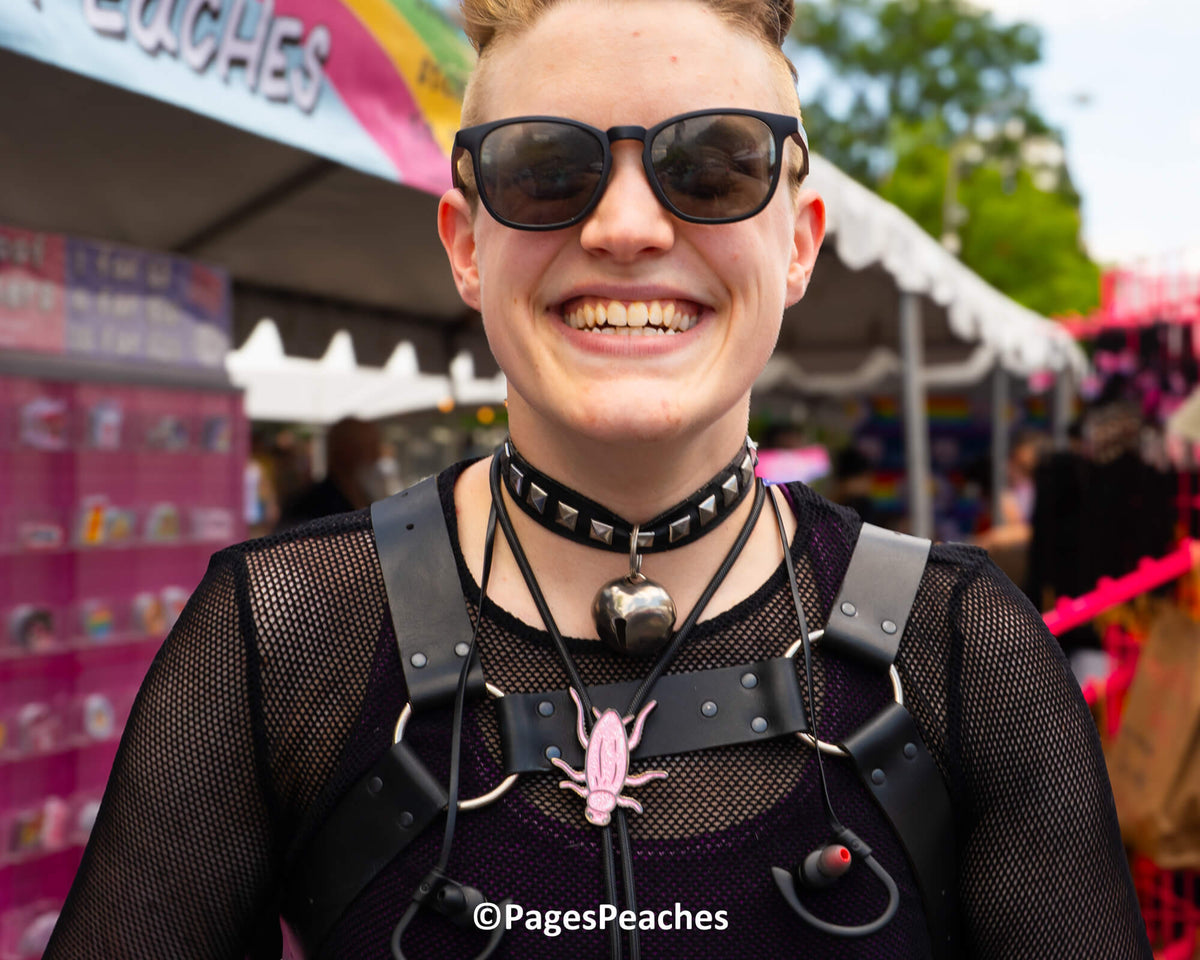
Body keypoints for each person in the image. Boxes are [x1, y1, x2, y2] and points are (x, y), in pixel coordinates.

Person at [44, 1, 1150, 958]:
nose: (626, 227)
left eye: (715, 167)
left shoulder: (962, 652)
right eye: (546, 169)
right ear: (467, 246)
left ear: (800, 243)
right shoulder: (280, 636)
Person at [276, 417, 387, 529]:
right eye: (369, 448)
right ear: (346, 451)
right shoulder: (309, 505)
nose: (377, 457)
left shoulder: (367, 499)